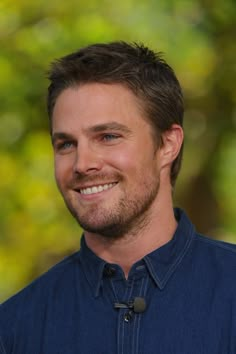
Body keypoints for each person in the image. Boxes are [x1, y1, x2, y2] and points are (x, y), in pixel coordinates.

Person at [0, 41, 236, 354]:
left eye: (108, 137)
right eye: (66, 144)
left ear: (167, 144)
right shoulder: (16, 327)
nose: (82, 164)